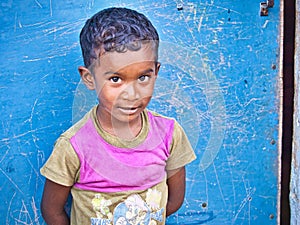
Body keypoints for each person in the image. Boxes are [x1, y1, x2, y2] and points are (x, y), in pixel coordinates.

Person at [40, 7, 196, 225]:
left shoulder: (169, 134)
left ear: (156, 72)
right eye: (115, 79)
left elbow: (173, 200)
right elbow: (52, 211)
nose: (131, 94)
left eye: (143, 77)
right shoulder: (74, 146)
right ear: (89, 78)